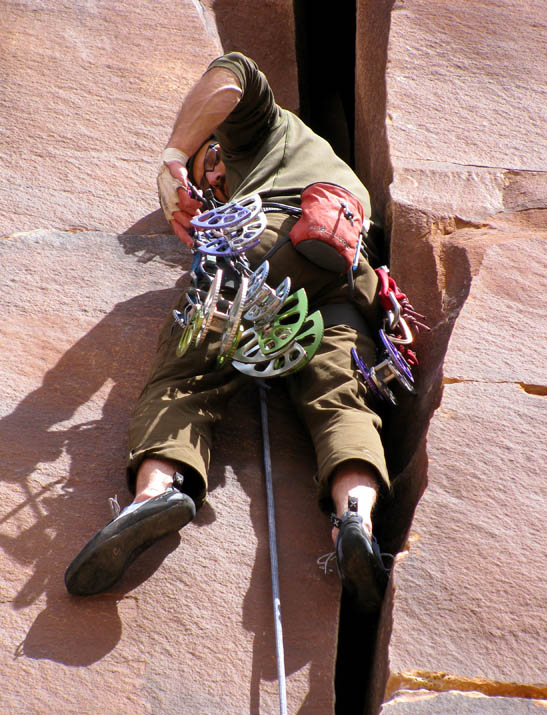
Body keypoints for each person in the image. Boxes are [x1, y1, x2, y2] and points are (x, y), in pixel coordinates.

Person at [65, 52, 398, 612]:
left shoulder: (259, 133)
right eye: (207, 189)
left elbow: (234, 74)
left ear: (216, 143)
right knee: (342, 400)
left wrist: (173, 158)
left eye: (209, 165)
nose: (214, 181)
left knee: (186, 374)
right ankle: (354, 520)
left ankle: (157, 493)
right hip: (348, 282)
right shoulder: (327, 167)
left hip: (271, 244)